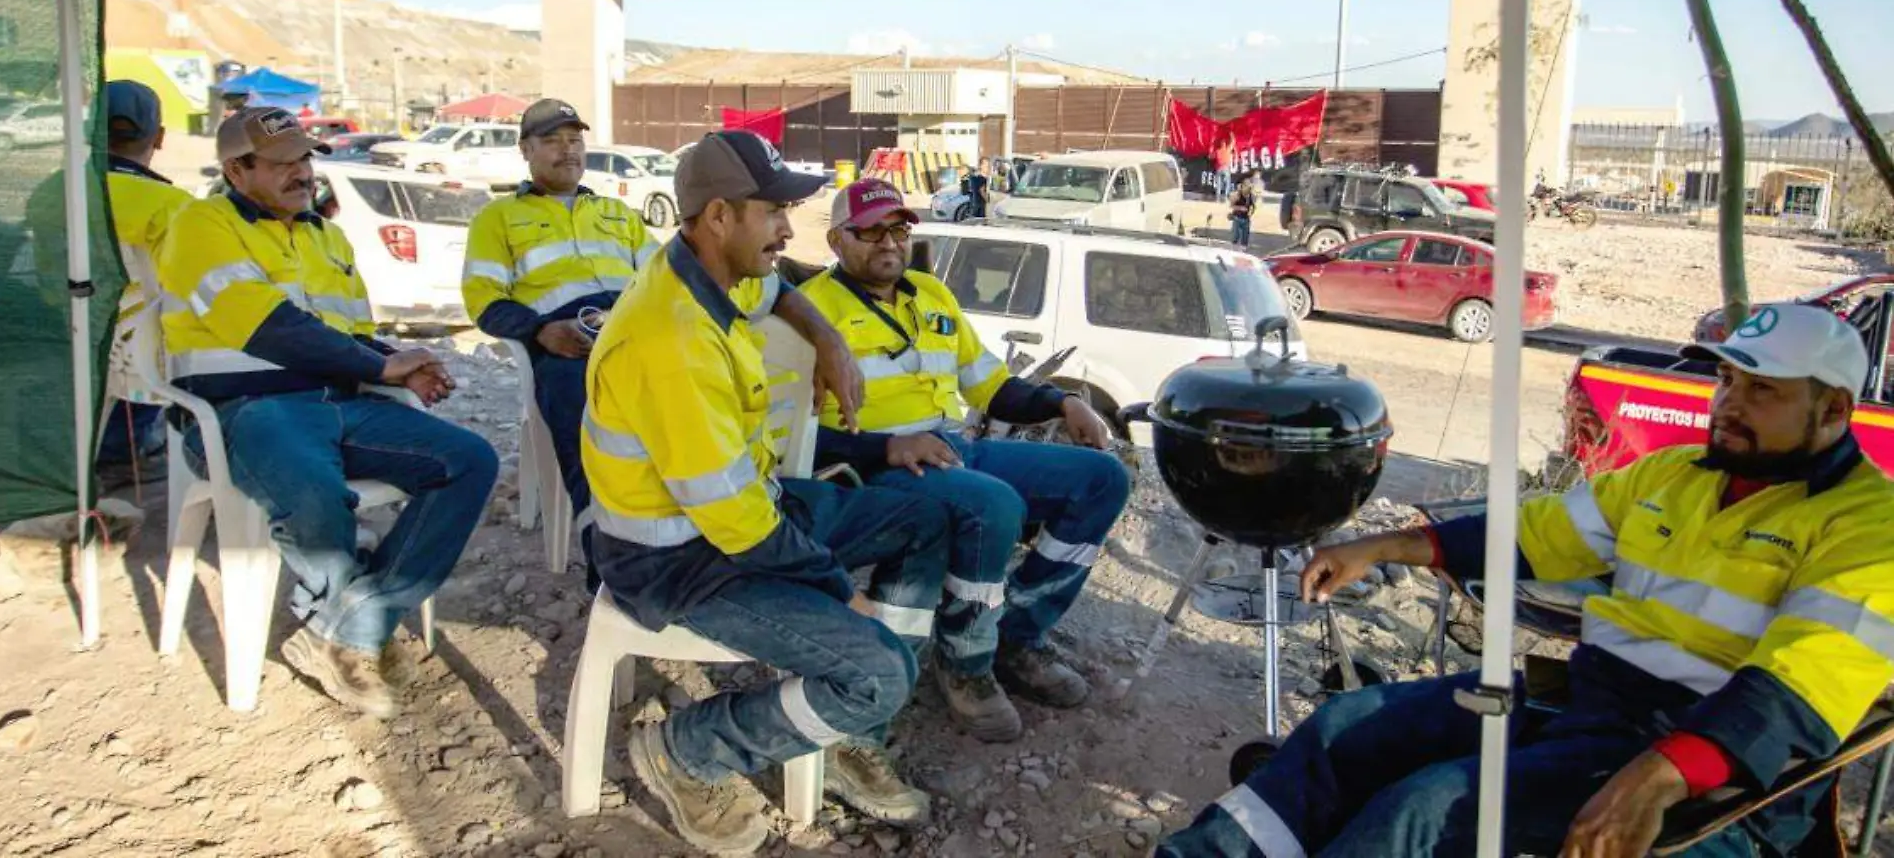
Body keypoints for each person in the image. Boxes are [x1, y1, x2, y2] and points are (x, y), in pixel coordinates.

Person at [1157, 303, 1894, 858]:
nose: (1729, 403)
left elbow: (1795, 695)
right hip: (1589, 702)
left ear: (1833, 408)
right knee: (1343, 730)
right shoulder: (1677, 475)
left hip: (1708, 764)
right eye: (1727, 379)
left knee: (1422, 811)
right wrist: (1385, 546)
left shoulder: (1870, 528)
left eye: (1761, 391)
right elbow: (1537, 535)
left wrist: (1660, 776)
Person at [583, 132, 950, 855]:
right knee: (880, 673)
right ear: (719, 215)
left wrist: (827, 338)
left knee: (932, 510)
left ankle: (843, 726)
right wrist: (839, 587)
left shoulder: (713, 268)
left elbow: (778, 287)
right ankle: (686, 751)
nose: (789, 229)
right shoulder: (671, 339)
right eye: (775, 211)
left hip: (742, 516)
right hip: (681, 559)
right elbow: (742, 529)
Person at [158, 107, 498, 720]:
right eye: (283, 163)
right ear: (237, 170)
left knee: (468, 460)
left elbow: (347, 333)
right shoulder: (200, 224)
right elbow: (270, 327)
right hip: (246, 408)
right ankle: (354, 630)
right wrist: (379, 368)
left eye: (305, 159)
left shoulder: (326, 236)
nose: (302, 173)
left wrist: (396, 360)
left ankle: (350, 624)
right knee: (314, 490)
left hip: (340, 401)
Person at [799, 179, 1132, 743]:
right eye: (871, 229)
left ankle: (1017, 634)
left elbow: (992, 388)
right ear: (836, 241)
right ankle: (965, 662)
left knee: (1103, 479)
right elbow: (792, 435)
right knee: (993, 504)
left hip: (952, 445)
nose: (889, 241)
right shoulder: (808, 314)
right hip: (871, 468)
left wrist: (1064, 401)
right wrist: (886, 446)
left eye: (899, 228)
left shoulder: (932, 294)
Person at [461, 98, 659, 586]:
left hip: (635, 338)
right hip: (565, 344)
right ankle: (609, 563)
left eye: (575, 140)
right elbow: (484, 301)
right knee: (586, 430)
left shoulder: (618, 213)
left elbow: (663, 281)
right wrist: (540, 332)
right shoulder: (499, 218)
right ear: (525, 149)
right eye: (552, 141)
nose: (567, 151)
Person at [96, 80, 196, 472]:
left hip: (78, 339)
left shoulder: (58, 193)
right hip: (148, 356)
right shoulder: (173, 205)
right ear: (159, 137)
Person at [1228, 177, 1255, 249]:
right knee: (1235, 236)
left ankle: (1243, 250)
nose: (1248, 190)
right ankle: (1233, 250)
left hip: (1246, 219)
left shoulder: (1250, 196)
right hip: (1237, 218)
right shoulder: (1237, 195)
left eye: (1249, 188)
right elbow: (1231, 206)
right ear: (1243, 187)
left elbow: (1253, 206)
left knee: (1245, 237)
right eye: (1247, 187)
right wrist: (1240, 208)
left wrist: (1251, 212)